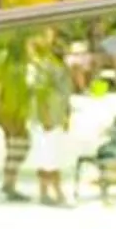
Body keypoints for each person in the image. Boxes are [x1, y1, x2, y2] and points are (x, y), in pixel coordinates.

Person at [31, 54, 72, 206]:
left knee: (54, 158)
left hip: (57, 119)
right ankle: (50, 193)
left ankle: (52, 193)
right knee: (47, 158)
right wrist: (45, 117)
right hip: (45, 122)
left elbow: (67, 97)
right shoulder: (45, 68)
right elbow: (41, 95)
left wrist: (67, 117)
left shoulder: (63, 70)